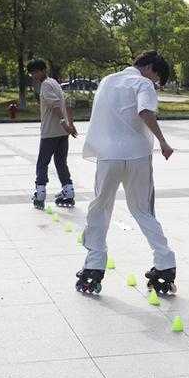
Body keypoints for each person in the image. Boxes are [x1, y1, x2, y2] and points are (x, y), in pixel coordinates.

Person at [76, 51, 177, 295]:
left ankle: (94, 266)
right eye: (157, 78)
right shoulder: (142, 83)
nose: (155, 83)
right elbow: (145, 111)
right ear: (150, 68)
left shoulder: (107, 80)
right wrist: (162, 141)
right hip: (137, 156)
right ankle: (164, 264)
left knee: (100, 207)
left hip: (108, 155)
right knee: (142, 210)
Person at [27, 59, 77, 211]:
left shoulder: (46, 85)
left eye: (34, 72)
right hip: (62, 133)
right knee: (61, 162)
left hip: (50, 132)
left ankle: (40, 192)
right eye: (31, 73)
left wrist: (64, 123)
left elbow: (56, 105)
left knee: (42, 163)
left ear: (42, 70)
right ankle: (68, 190)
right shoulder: (54, 82)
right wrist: (70, 124)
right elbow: (66, 103)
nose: (33, 75)